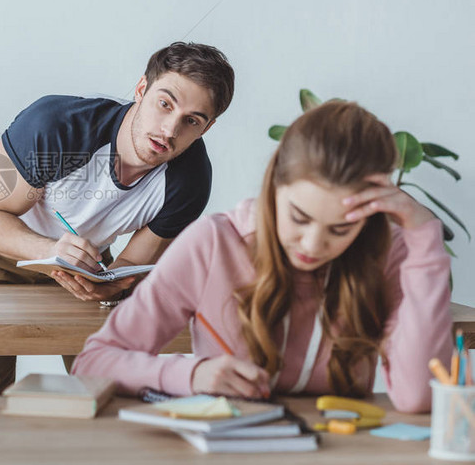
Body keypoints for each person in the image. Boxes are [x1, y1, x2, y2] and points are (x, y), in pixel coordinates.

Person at [72, 101, 452, 412]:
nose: (312, 245)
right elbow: (95, 361)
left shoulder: (390, 254)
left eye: (340, 229)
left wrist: (424, 236)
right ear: (273, 188)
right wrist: (191, 376)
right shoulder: (215, 243)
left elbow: (419, 396)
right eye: (299, 218)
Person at [0, 41, 235, 393]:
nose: (169, 131)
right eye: (165, 104)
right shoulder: (53, 124)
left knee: (104, 380)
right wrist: (49, 250)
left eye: (191, 121)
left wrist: (111, 280)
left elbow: (134, 261)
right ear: (141, 89)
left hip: (81, 258)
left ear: (205, 129)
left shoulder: (190, 182)